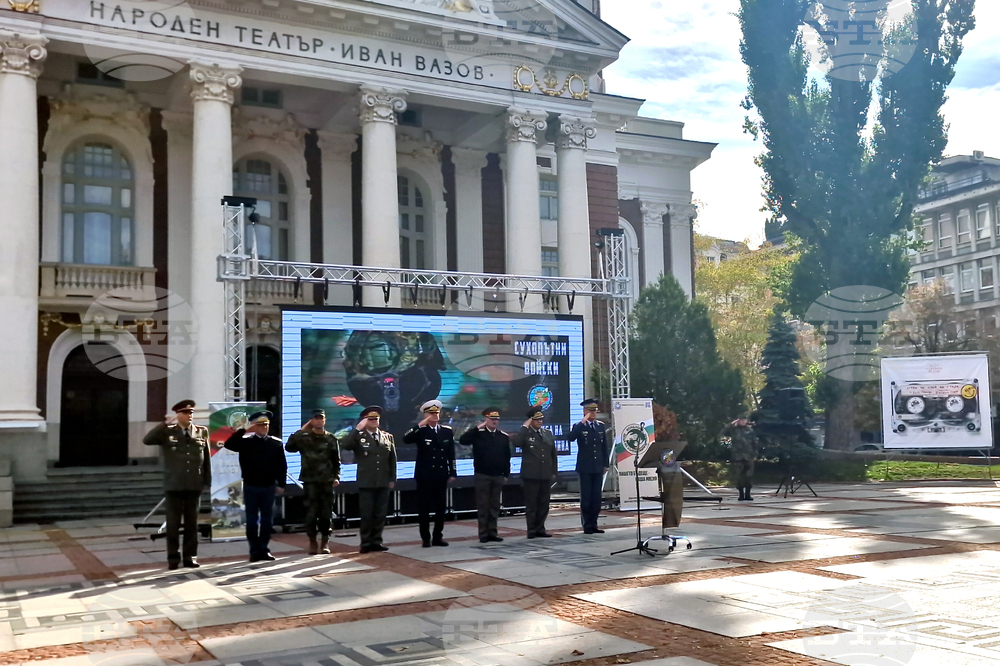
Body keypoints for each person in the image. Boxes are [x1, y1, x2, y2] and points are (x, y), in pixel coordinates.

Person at [143, 399, 211, 570]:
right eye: (186, 413)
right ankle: (173, 558)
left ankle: (190, 557)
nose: (190, 416)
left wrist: (207, 481)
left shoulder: (202, 432)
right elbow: (147, 440)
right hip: (174, 485)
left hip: (194, 485)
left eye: (191, 413)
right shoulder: (167, 432)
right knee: (172, 525)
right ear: (178, 415)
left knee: (191, 525)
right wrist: (163, 424)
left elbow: (207, 459)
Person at [224, 410, 287, 561]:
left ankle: (264, 549)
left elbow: (282, 466)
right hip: (251, 486)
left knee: (267, 520)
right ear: (255, 427)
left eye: (266, 425)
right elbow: (229, 444)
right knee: (252, 520)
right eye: (260, 425)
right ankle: (254, 550)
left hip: (268, 486)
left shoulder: (275, 443)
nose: (264, 427)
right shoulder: (246, 442)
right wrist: (244, 429)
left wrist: (281, 483)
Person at [340, 405, 397, 553]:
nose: (373, 421)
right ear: (364, 420)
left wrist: (392, 478)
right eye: (370, 419)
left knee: (380, 514)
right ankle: (365, 543)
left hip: (383, 481)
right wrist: (357, 429)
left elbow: (392, 460)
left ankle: (376, 541)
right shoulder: (359, 437)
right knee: (367, 514)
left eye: (376, 419)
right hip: (366, 482)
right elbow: (345, 445)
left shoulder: (387, 437)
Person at [285, 409, 341, 555]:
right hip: (310, 481)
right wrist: (302, 429)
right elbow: (289, 447)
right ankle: (312, 541)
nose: (318, 421)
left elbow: (336, 461)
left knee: (326, 514)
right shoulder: (304, 437)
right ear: (311, 421)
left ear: (324, 420)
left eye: (321, 418)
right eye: (315, 419)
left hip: (326, 481)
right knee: (311, 514)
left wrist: (336, 476)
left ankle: (324, 541)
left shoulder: (331, 439)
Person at [403, 400, 456, 547]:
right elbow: (405, 439)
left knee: (440, 508)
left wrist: (453, 472)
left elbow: (451, 454)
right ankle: (425, 538)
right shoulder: (421, 431)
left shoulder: (446, 431)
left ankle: (438, 536)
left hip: (440, 474)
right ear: (425, 415)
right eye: (431, 413)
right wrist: (420, 424)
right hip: (424, 475)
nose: (435, 416)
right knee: (424, 508)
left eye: (436, 413)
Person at [460, 407, 511, 543]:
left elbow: (507, 456)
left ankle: (492, 532)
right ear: (486, 420)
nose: (494, 422)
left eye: (496, 419)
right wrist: (477, 428)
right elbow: (463, 440)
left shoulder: (503, 436)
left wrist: (506, 474)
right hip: (482, 475)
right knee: (483, 505)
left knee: (494, 506)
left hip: (498, 475)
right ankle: (483, 534)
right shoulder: (478, 434)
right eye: (491, 419)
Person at [511, 406, 557, 539]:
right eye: (537, 420)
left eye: (541, 419)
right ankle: (531, 530)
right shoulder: (525, 434)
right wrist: (524, 428)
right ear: (531, 420)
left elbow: (553, 454)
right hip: (531, 475)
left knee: (544, 504)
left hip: (545, 474)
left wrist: (554, 471)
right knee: (532, 504)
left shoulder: (547, 433)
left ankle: (540, 528)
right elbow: (517, 443)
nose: (540, 422)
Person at [568, 398, 610, 534]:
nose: (593, 413)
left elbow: (604, 447)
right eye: (590, 411)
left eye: (595, 411)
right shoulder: (579, 426)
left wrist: (605, 464)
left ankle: (594, 523)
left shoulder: (600, 426)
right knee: (586, 498)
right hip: (585, 467)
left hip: (598, 466)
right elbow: (571, 437)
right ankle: (587, 525)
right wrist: (582, 422)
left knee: (596, 497)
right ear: (584, 411)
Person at [722, 416, 759, 501]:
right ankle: (741, 494)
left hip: (748, 456)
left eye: (744, 420)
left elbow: (755, 443)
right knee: (739, 475)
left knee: (749, 475)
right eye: (741, 420)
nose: (743, 421)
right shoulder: (734, 429)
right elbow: (723, 432)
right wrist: (731, 424)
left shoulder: (750, 430)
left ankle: (748, 494)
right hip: (737, 456)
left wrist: (755, 454)